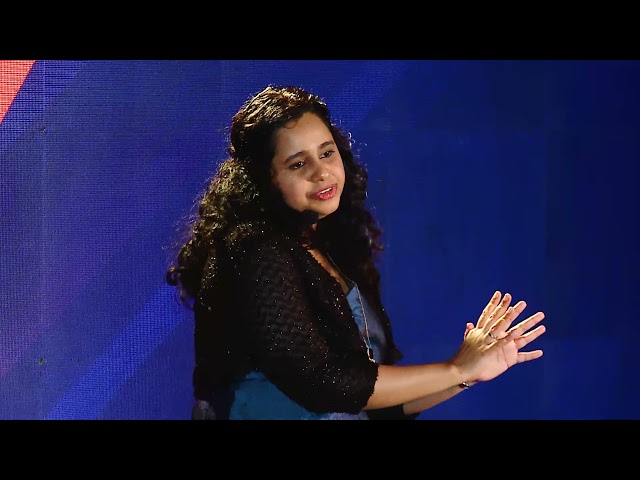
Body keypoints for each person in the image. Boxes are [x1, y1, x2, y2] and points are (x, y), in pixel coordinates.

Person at [166, 85, 546, 420]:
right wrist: (455, 368)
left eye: (326, 153)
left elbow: (374, 407)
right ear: (263, 180)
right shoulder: (252, 246)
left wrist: (468, 374)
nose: (321, 172)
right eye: (298, 163)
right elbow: (323, 383)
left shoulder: (331, 248)